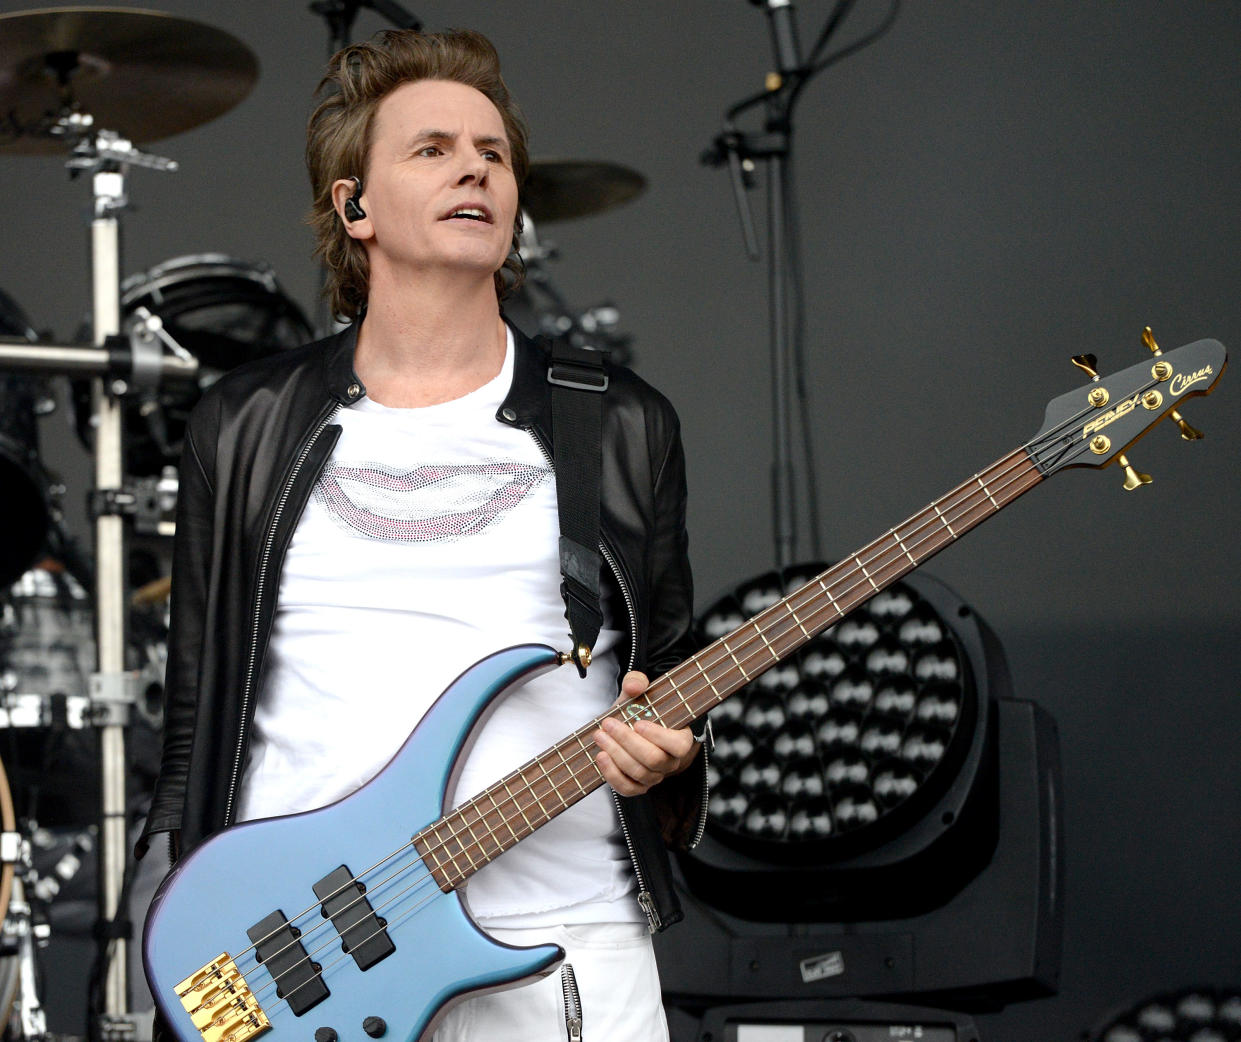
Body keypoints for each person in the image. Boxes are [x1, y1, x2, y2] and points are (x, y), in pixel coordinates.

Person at [138, 28, 705, 1042]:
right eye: (432, 149)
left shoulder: (617, 420)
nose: (475, 168)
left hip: (561, 948)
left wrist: (673, 755)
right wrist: (165, 934)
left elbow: (666, 677)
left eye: (492, 152)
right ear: (353, 206)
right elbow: (197, 718)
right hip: (300, 959)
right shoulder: (246, 421)